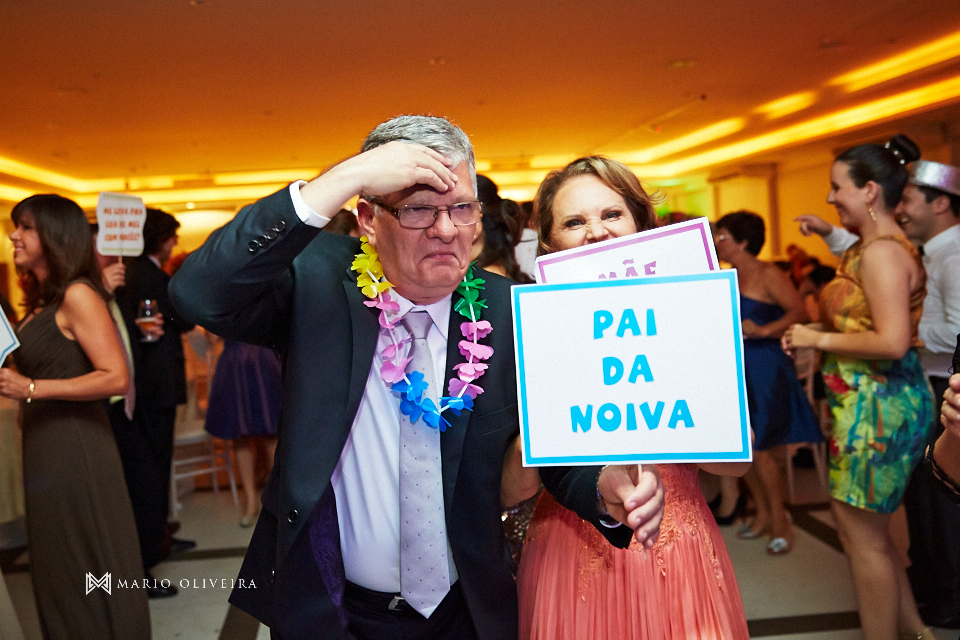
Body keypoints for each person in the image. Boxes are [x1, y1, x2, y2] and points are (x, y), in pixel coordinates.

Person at [168, 115, 665, 640]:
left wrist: (600, 486)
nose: (447, 229)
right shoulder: (314, 285)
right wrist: (343, 177)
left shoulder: (511, 310)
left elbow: (548, 446)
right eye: (418, 209)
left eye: (461, 207)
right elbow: (197, 294)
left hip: (466, 610)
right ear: (366, 216)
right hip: (331, 609)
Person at [516, 156, 750, 639]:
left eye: (612, 214)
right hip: (571, 543)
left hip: (678, 543)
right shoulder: (535, 334)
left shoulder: (693, 319)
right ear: (549, 244)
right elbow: (515, 486)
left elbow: (735, 466)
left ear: (642, 225)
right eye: (574, 221)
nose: (596, 233)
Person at [782, 134, 933, 640]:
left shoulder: (883, 254)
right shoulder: (872, 246)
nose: (829, 197)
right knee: (874, 537)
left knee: (861, 539)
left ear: (869, 191)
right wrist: (830, 231)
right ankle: (916, 631)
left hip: (878, 407)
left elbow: (892, 342)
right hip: (865, 403)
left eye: (836, 187)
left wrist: (814, 335)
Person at [0, 194, 150, 639]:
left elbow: (115, 377)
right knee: (59, 564)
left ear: (53, 235)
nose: (13, 235)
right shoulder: (41, 304)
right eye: (16, 226)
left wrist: (30, 388)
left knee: (88, 556)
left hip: (76, 448)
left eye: (25, 227)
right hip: (44, 447)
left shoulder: (79, 294)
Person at [713, 211, 821, 555]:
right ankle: (760, 515)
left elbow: (800, 312)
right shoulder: (726, 274)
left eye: (723, 236)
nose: (718, 242)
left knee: (762, 451)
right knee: (743, 450)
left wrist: (763, 330)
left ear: (743, 241)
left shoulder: (767, 273)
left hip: (764, 365)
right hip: (736, 365)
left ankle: (780, 522)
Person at [115, 208, 197, 562]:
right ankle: (154, 543)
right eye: (172, 237)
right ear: (160, 239)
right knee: (153, 463)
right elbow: (180, 319)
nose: (175, 243)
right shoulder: (147, 275)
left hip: (148, 381)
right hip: (154, 381)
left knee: (153, 463)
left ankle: (159, 534)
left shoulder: (134, 272)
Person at [204, 338, 280, 527]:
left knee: (272, 433)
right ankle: (251, 501)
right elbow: (212, 335)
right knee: (240, 435)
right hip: (235, 360)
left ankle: (275, 500)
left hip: (262, 357)